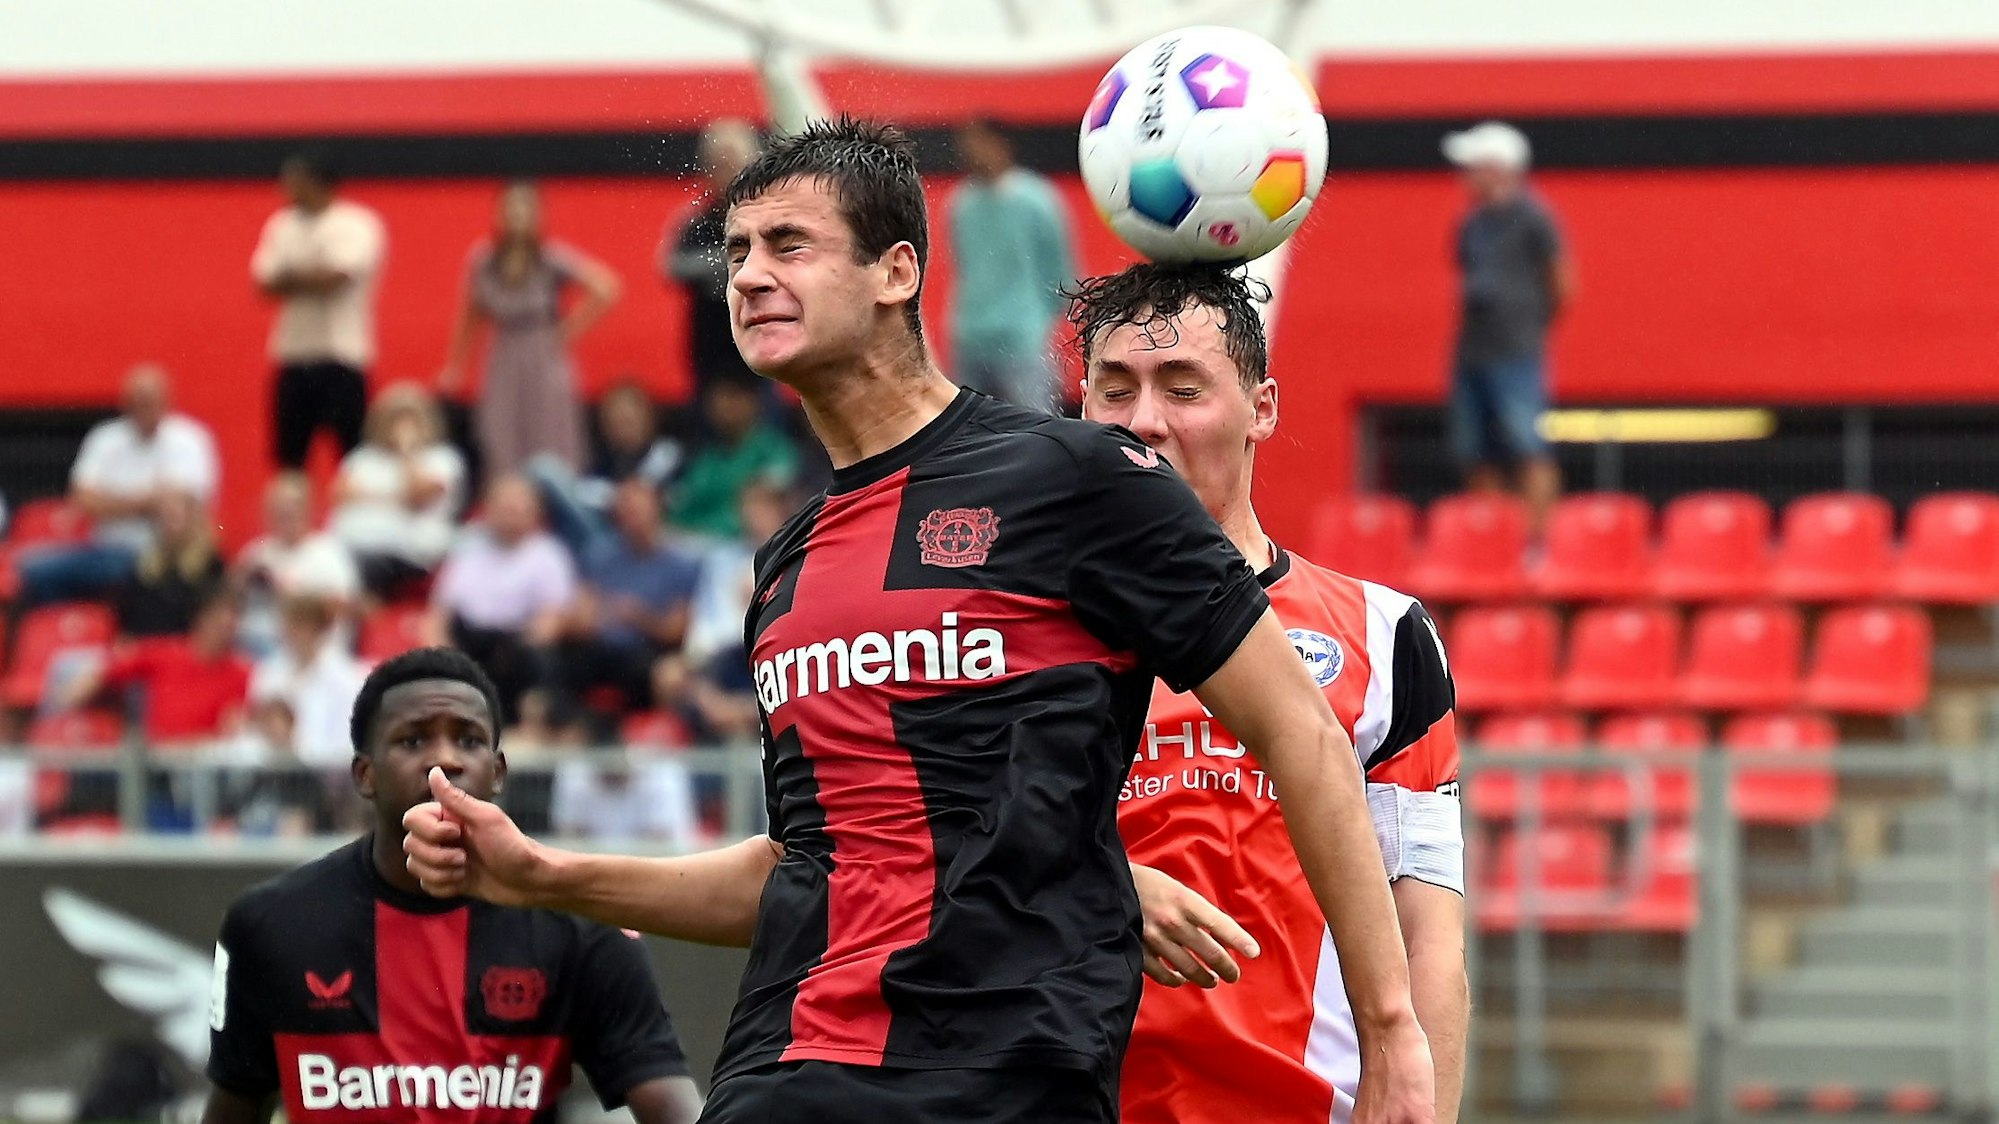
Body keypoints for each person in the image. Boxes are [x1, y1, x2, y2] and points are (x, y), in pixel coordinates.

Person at [404, 119, 1433, 1124]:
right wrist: (544, 872)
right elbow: (805, 861)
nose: (751, 275)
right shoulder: (786, 565)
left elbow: (1300, 732)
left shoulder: (1080, 476)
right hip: (781, 1062)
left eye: (789, 245)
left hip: (1003, 1071)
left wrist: (1392, 1031)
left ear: (897, 271)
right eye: (739, 252)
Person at [1068, 264, 1469, 1124]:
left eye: (1182, 388)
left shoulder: (1385, 631)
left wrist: (1420, 1100)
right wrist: (1102, 883)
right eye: (1115, 391)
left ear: (1262, 408)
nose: (1144, 422)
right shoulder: (1013, 632)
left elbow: (1428, 929)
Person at [201, 647, 702, 1124]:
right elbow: (232, 1110)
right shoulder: (269, 925)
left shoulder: (586, 930)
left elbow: (675, 1108)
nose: (445, 761)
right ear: (364, 775)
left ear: (499, 771)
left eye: (468, 740)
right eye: (413, 740)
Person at [1441, 120, 1575, 533]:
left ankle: (1537, 545)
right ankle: (1488, 544)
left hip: (1515, 352)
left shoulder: (1535, 218)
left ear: (1498, 168)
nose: (1465, 175)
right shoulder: (1471, 223)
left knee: (1528, 447)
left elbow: (1563, 284)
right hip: (1472, 350)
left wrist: (1527, 328)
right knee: (1475, 452)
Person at [440, 180, 622, 476]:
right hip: (503, 354)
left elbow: (606, 288)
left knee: (549, 428)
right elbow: (470, 319)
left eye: (524, 206)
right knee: (500, 429)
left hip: (543, 355)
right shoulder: (484, 262)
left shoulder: (549, 258)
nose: (516, 214)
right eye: (509, 206)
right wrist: (455, 366)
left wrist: (566, 331)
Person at [17, 363, 219, 607]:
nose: (145, 410)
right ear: (125, 403)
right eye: (138, 402)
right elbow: (82, 499)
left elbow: (187, 508)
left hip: (162, 556)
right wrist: (149, 501)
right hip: (104, 549)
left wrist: (112, 503)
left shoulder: (190, 440)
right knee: (29, 569)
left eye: (151, 401)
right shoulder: (105, 438)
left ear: (167, 401)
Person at [251, 150, 387, 470]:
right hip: (293, 356)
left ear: (317, 183)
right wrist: (311, 274)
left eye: (293, 180)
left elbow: (338, 278)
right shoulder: (282, 225)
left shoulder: (356, 223)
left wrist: (292, 276)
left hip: (343, 356)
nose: (285, 188)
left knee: (354, 458)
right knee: (288, 458)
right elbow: (264, 284)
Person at [553, 479, 702, 737]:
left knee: (665, 673)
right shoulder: (599, 555)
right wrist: (588, 618)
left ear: (656, 510)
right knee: (554, 662)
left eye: (638, 510)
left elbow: (677, 630)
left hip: (650, 650)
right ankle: (560, 735)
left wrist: (639, 617)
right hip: (601, 649)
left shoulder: (681, 562)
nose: (632, 519)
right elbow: (581, 611)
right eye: (626, 512)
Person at [424, 476, 574, 729]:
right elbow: (439, 615)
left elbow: (550, 624)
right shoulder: (468, 549)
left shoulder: (549, 555)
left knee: (538, 661)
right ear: (488, 510)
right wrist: (445, 657)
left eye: (519, 510)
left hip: (518, 647)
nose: (511, 517)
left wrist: (509, 651)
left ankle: (530, 730)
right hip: (470, 643)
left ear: (535, 514)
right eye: (505, 509)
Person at [946, 117, 1075, 411]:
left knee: (1037, 425)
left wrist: (1040, 323)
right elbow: (964, 267)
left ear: (1001, 144)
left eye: (979, 143)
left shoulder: (1036, 199)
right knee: (967, 432)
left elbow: (1059, 268)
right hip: (970, 337)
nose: (970, 152)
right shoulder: (961, 203)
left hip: (1022, 339)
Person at [328, 382, 467, 598]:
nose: (401, 426)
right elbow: (341, 494)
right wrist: (395, 498)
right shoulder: (362, 458)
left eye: (410, 419)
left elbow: (417, 498)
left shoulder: (442, 459)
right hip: (351, 546)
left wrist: (408, 453)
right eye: (395, 418)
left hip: (408, 554)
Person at [63, 590, 251, 747]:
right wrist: (76, 696)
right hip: (155, 762)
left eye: (231, 623)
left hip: (204, 764)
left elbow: (238, 726)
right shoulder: (166, 653)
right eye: (218, 621)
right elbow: (110, 668)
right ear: (201, 619)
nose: (225, 629)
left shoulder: (244, 672)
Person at [660, 120, 762, 397]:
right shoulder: (696, 221)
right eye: (717, 165)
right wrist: (725, 262)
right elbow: (670, 266)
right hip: (709, 340)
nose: (724, 173)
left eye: (731, 163)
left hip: (760, 336)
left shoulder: (765, 216)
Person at [528, 378, 684, 560]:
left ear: (648, 418)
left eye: (628, 420)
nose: (621, 428)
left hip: (653, 540)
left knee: (544, 468)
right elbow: (584, 492)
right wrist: (614, 497)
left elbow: (645, 498)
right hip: (602, 538)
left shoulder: (666, 452)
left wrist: (621, 498)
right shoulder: (602, 460)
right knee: (541, 471)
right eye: (614, 421)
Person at [232, 474, 360, 656]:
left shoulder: (329, 552)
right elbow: (233, 603)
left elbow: (348, 608)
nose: (284, 514)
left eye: (292, 507)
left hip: (314, 654)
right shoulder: (256, 553)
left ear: (308, 509)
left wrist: (291, 597)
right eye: (278, 508)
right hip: (257, 649)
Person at [667, 373, 798, 541]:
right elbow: (681, 511)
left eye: (731, 397)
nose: (723, 407)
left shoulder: (775, 449)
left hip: (753, 544)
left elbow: (772, 500)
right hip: (698, 545)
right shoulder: (706, 457)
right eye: (717, 399)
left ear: (752, 401)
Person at [247, 595, 368, 766]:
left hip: (327, 778)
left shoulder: (347, 679)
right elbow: (257, 733)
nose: (291, 633)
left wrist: (297, 747)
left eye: (299, 626)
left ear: (317, 629)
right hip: (272, 774)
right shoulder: (268, 674)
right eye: (287, 625)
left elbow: (346, 743)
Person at [113, 490, 226, 638]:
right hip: (145, 649)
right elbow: (126, 618)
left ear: (193, 520)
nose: (167, 525)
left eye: (174, 518)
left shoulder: (211, 567)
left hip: (185, 651)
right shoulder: (144, 567)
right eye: (162, 519)